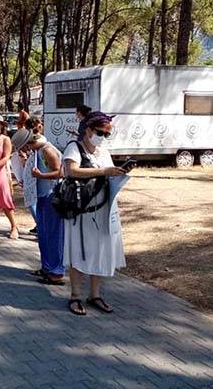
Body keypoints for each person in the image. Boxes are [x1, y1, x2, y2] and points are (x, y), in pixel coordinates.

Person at [63, 111, 128, 316]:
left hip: (102, 211)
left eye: (107, 134)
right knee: (79, 251)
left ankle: (94, 294)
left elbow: (108, 172)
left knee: (99, 251)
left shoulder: (102, 150)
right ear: (89, 129)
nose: (103, 138)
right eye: (101, 133)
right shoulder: (74, 147)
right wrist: (104, 172)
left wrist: (117, 173)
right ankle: (75, 296)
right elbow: (72, 170)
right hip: (82, 211)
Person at [14, 129, 65, 285]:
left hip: (52, 197)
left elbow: (61, 172)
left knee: (54, 235)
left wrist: (41, 176)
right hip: (42, 196)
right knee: (44, 234)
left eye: (23, 148)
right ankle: (47, 267)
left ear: (29, 143)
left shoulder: (47, 150)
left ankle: (56, 272)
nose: (23, 151)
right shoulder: (37, 150)